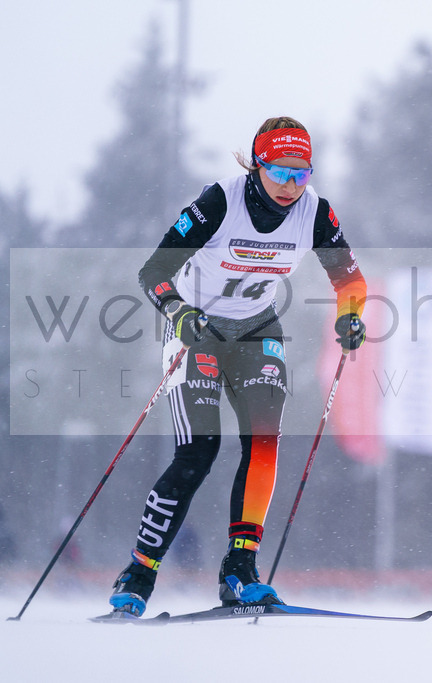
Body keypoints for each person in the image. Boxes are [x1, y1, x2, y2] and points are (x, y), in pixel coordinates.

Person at [106, 116, 367, 617]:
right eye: (281, 172)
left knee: (264, 444)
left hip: (256, 330)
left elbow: (350, 283)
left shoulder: (315, 214)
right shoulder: (220, 202)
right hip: (199, 328)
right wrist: (179, 312)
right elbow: (154, 271)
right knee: (198, 452)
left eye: (302, 172)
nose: (292, 185)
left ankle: (239, 571)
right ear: (257, 164)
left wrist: (351, 317)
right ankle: (139, 573)